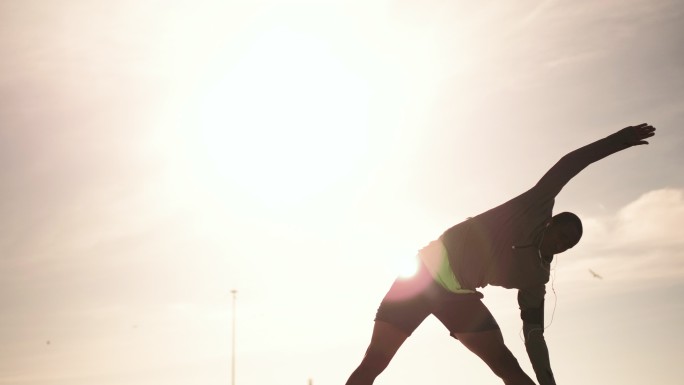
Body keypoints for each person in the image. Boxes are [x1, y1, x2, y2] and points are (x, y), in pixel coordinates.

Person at [345, 123, 656, 385]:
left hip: (459, 296)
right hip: (421, 276)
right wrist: (618, 141)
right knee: (375, 362)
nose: (563, 242)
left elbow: (533, 334)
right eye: (562, 233)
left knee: (507, 366)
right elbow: (569, 165)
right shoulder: (533, 207)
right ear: (550, 223)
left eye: (570, 244)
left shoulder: (536, 276)